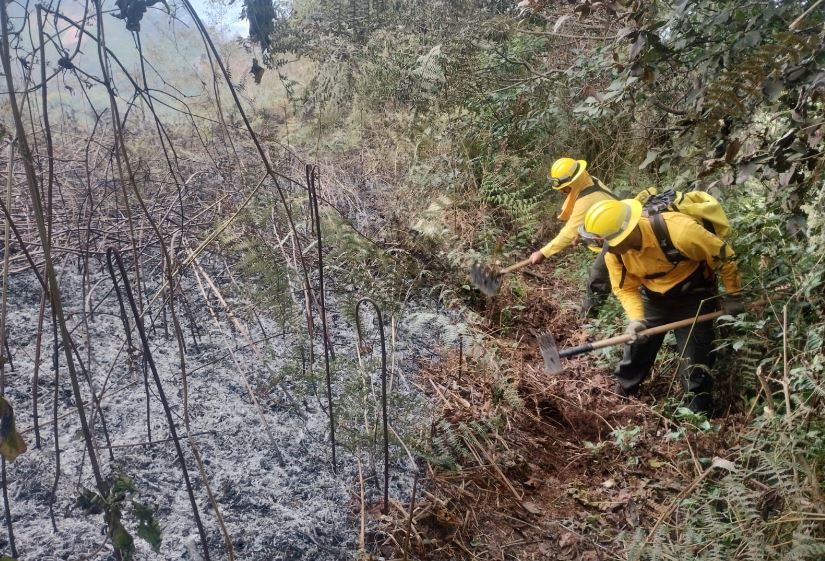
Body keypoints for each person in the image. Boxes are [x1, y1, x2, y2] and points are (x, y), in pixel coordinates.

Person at [579, 198, 745, 414]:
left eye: (605, 243)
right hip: (654, 298)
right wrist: (637, 318)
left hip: (695, 296)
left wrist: (734, 295)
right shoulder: (614, 253)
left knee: (695, 360)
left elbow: (724, 256)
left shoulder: (681, 231)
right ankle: (623, 391)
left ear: (624, 235)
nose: (604, 249)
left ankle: (698, 414)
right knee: (638, 345)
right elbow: (625, 288)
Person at [529, 157, 615, 317]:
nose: (562, 191)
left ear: (574, 181)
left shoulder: (587, 198)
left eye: (565, 188)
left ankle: (588, 320)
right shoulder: (590, 181)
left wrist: (543, 252)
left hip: (618, 239)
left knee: (597, 278)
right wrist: (580, 232)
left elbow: (568, 232)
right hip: (613, 231)